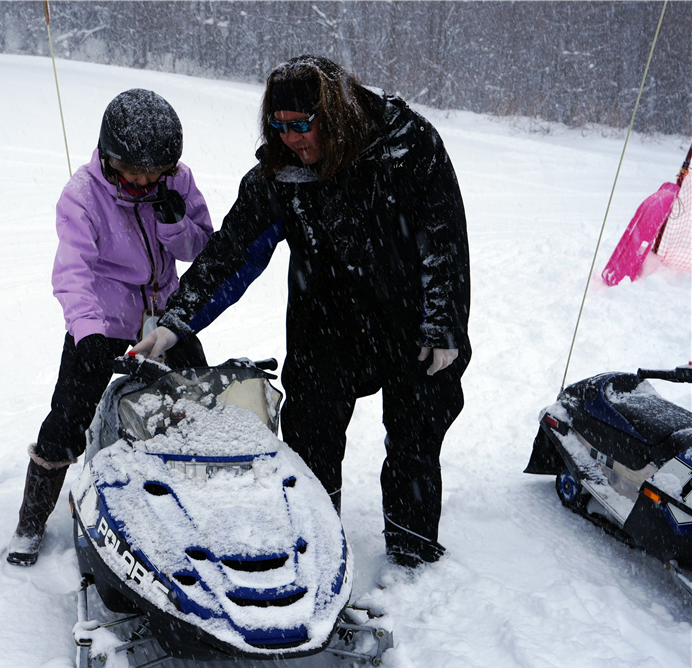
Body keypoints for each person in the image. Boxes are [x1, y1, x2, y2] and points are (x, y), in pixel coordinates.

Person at [134, 56, 471, 569]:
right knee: (311, 428)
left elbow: (444, 237)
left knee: (417, 431)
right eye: (278, 125)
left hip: (409, 317)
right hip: (326, 315)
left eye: (300, 125)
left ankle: (411, 549)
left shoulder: (405, 145)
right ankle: (317, 541)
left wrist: (444, 322)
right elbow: (233, 251)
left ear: (331, 115)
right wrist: (175, 322)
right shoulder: (280, 174)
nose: (290, 138)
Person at [7, 89, 213, 566]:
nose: (144, 180)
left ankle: (192, 507)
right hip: (100, 325)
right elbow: (72, 272)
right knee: (66, 421)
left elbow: (201, 251)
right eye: (134, 171)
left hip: (164, 324)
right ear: (110, 155)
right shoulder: (83, 196)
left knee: (197, 406)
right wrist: (89, 334)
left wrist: (174, 225)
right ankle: (30, 521)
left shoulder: (177, 182)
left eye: (154, 172)